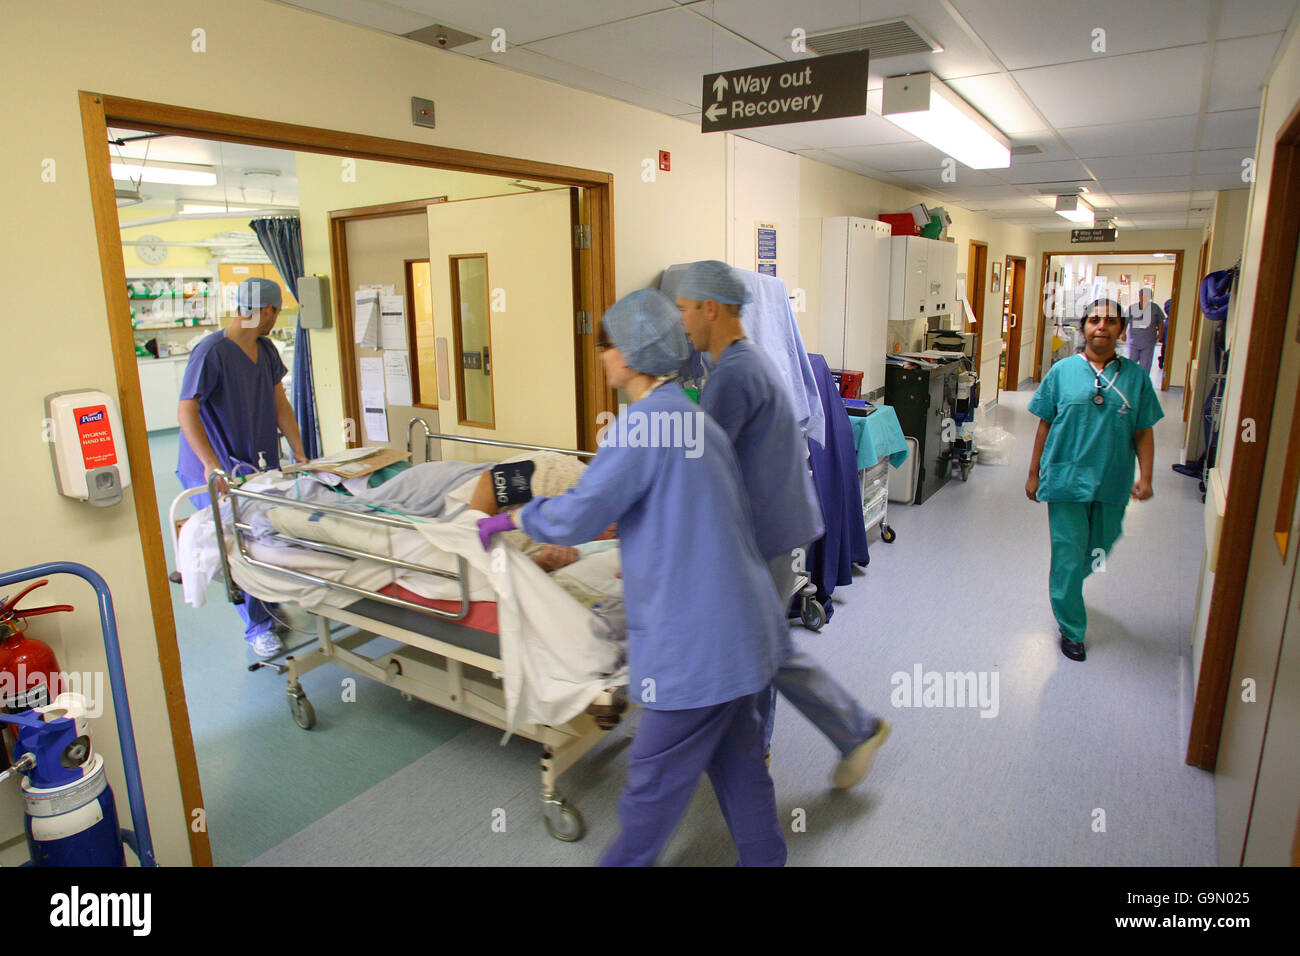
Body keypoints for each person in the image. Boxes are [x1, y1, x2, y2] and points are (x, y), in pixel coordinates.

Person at [477, 289, 787, 866]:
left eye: (605, 346)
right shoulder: (693, 418)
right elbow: (702, 511)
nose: (601, 357)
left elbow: (578, 514)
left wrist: (515, 516)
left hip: (693, 650)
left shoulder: (642, 428)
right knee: (739, 765)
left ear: (628, 355)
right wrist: (646, 546)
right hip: (742, 633)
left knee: (649, 789)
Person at [676, 260, 889, 789]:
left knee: (765, 651)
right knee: (762, 647)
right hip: (775, 528)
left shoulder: (732, 375)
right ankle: (778, 744)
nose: (681, 324)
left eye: (683, 310)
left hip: (763, 536)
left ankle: (844, 733)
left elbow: (708, 474)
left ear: (710, 307)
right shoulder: (745, 363)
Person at [1025, 298, 1163, 662]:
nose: (1101, 326)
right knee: (1069, 557)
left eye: (1110, 321)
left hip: (1112, 480)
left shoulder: (1135, 378)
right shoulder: (1062, 372)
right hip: (1066, 479)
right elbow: (1044, 423)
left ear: (1122, 330)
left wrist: (1146, 477)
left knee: (1100, 547)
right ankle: (1071, 627)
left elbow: (1144, 430)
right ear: (1084, 327)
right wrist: (1033, 472)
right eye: (1094, 320)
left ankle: (1067, 585)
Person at [176, 276, 308, 658]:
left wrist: (299, 452)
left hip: (254, 460)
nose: (275, 319)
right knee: (239, 541)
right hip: (213, 465)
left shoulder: (264, 350)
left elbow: (277, 400)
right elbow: (187, 409)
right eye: (276, 312)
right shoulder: (211, 352)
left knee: (264, 533)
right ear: (266, 310)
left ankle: (265, 601)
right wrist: (211, 465)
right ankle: (257, 628)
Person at [1124, 287, 1166, 374]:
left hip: (1148, 342)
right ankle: (1130, 382)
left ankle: (1143, 384)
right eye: (1143, 296)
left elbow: (1160, 321)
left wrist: (1161, 334)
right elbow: (1125, 321)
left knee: (1145, 365)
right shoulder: (1133, 307)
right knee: (1131, 364)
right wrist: (1123, 333)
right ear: (1139, 296)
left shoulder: (1155, 308)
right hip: (1133, 342)